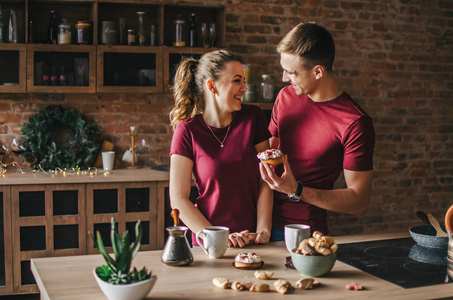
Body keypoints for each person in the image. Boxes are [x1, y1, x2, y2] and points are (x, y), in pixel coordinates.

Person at [259, 23, 375, 241]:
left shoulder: (355, 122)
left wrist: (297, 190)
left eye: (291, 72)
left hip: (305, 233)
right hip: (257, 223)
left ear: (318, 71)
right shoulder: (285, 97)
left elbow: (359, 200)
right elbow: (267, 154)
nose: (284, 78)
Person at [169, 50, 273, 247]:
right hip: (208, 243)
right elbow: (178, 200)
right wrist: (216, 238)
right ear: (211, 85)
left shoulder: (254, 117)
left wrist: (263, 231)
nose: (244, 87)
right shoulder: (187, 131)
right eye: (237, 81)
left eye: (243, 80)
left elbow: (266, 179)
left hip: (251, 239)